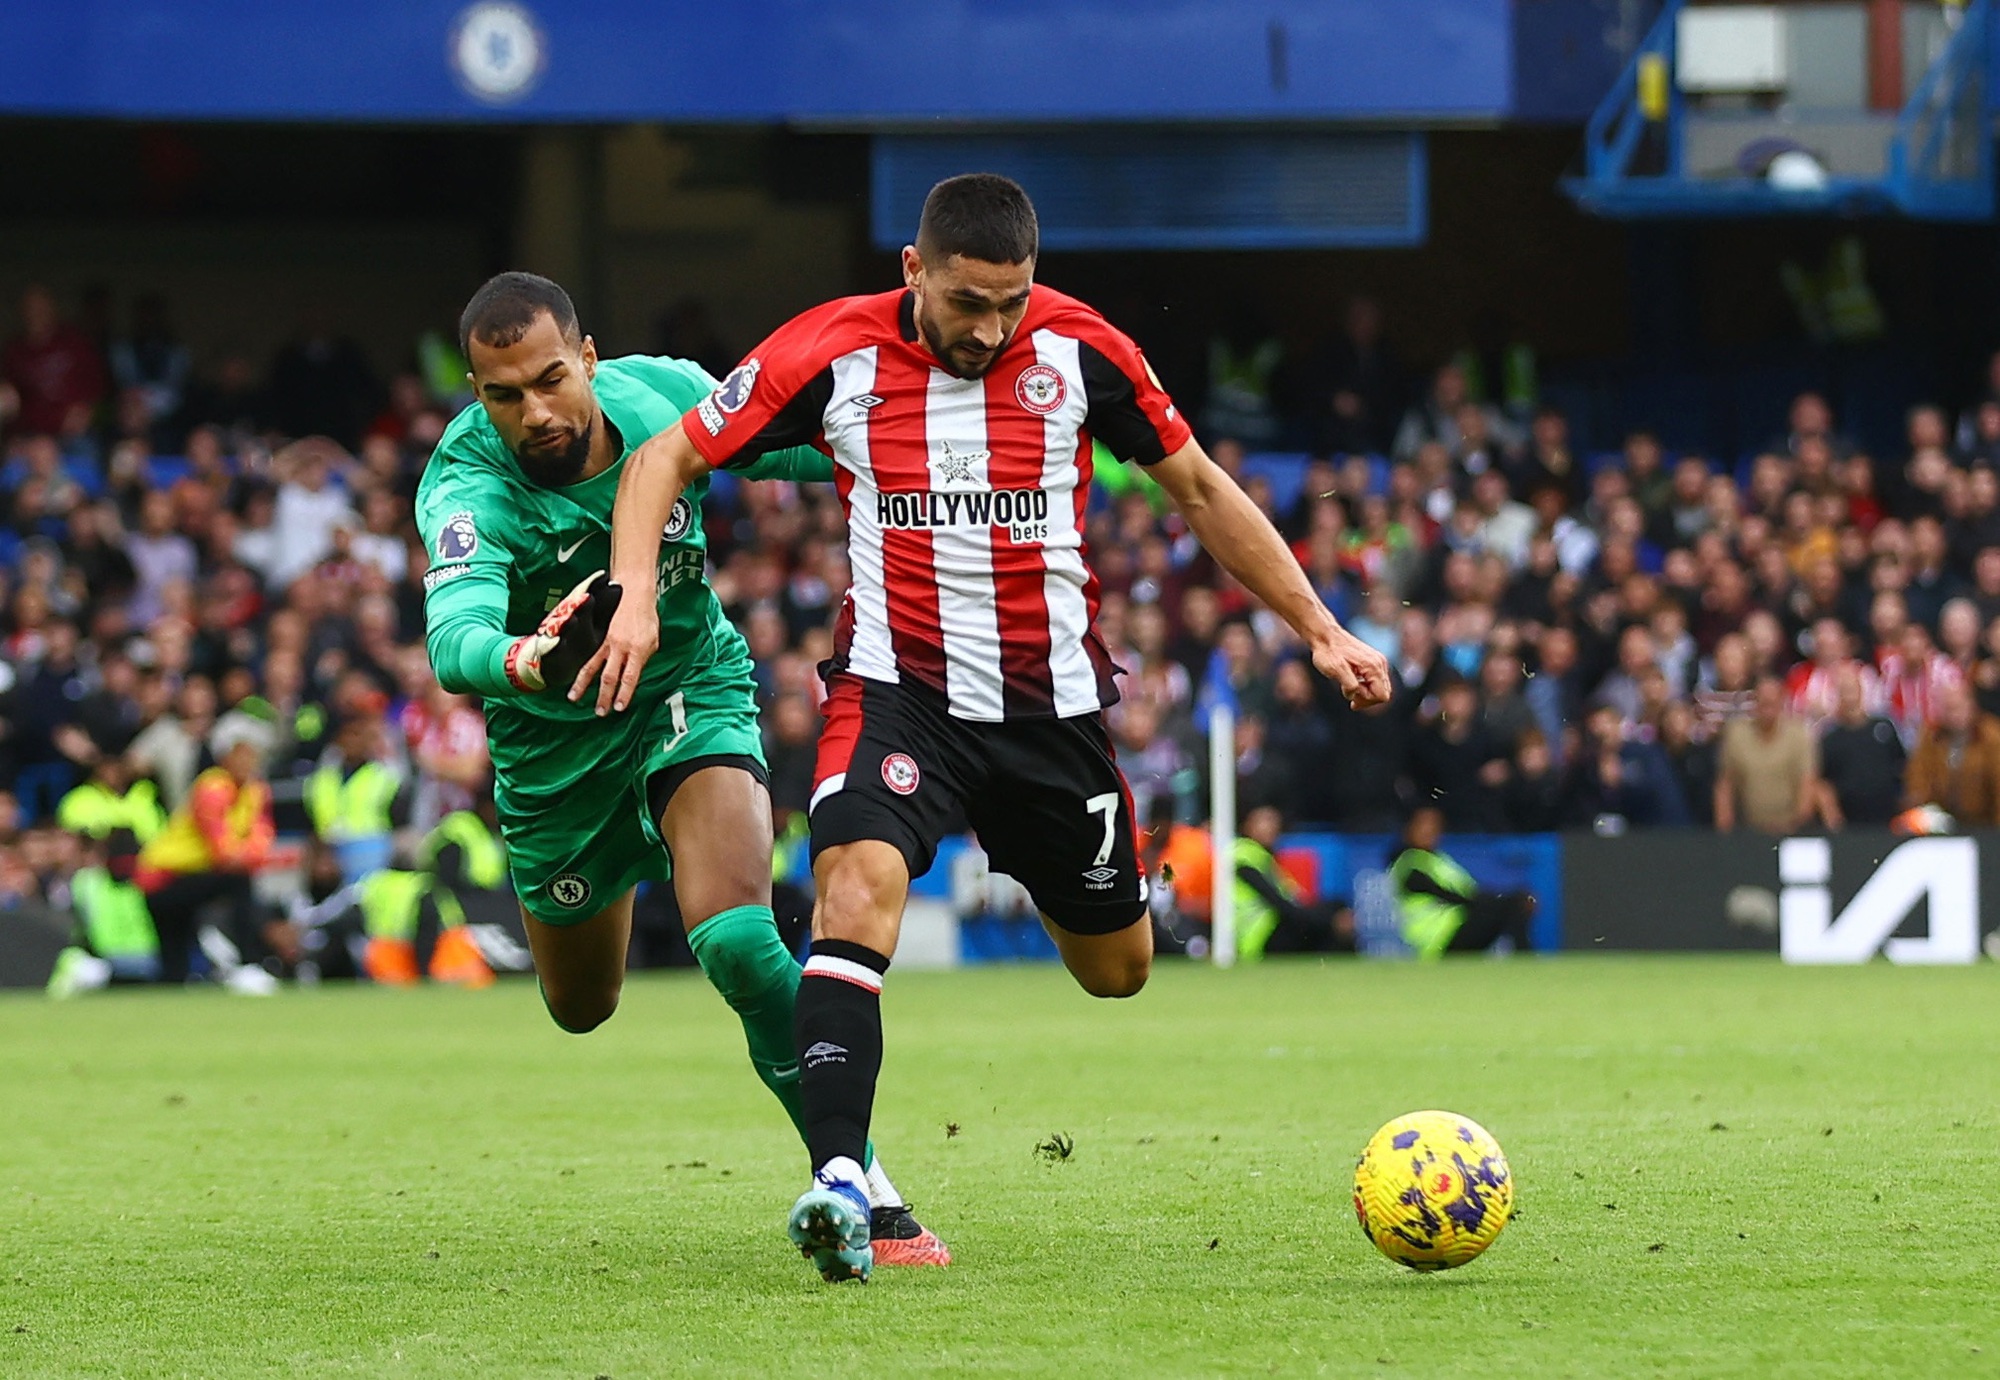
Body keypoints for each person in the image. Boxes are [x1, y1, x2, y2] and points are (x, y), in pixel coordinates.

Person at [589, 173, 1392, 1282]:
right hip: (895, 691)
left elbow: (1200, 490)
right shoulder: (829, 353)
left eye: (1010, 301)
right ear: (912, 272)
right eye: (968, 302)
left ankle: (864, 1150)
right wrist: (634, 590)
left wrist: (1320, 628)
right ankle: (838, 1186)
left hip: (1049, 715)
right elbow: (663, 457)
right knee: (851, 892)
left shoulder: (1081, 351)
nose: (990, 328)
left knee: (1118, 970)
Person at [415, 272, 943, 1268]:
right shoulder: (466, 487)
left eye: (549, 379)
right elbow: (455, 640)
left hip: (685, 688)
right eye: (501, 393)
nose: (532, 412)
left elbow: (795, 439)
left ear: (591, 358)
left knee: (741, 943)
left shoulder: (659, 393)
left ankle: (863, 1188)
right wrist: (526, 657)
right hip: (554, 745)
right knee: (581, 1006)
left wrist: (911, 440)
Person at [131, 717, 291, 993]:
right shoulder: (212, 788)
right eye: (243, 754)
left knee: (174, 969)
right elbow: (224, 853)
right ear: (226, 756)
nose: (250, 761)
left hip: (191, 875)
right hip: (161, 878)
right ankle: (247, 963)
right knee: (238, 882)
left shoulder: (255, 790)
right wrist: (267, 857)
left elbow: (261, 837)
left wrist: (253, 854)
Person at [1387, 806, 1535, 959]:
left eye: (1435, 825)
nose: (1429, 831)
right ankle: (1526, 958)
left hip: (1457, 928)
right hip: (1439, 940)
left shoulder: (1439, 859)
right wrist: (1497, 902)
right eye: (1423, 825)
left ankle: (1523, 956)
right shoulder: (1410, 864)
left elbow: (1471, 890)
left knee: (1516, 902)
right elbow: (1451, 896)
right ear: (1409, 829)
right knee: (1514, 904)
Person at [1231, 804, 1353, 960]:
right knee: (1329, 924)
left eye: (1274, 822)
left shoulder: (1265, 857)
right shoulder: (1242, 856)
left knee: (1336, 905)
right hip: (1258, 935)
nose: (1271, 827)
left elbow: (1294, 899)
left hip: (1274, 925)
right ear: (1247, 825)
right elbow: (1278, 902)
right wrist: (1327, 919)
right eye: (1264, 821)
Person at [1714, 676, 1823, 834]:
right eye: (1763, 703)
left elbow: (1807, 782)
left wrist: (1798, 825)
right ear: (1754, 703)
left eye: (1772, 703)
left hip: (1791, 828)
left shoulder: (1798, 735)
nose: (1768, 709)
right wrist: (1725, 832)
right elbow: (1725, 784)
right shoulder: (1736, 734)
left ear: (1781, 702)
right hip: (1749, 830)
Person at [1817, 665, 1907, 829]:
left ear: (1861, 692)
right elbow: (1823, 782)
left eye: (1852, 690)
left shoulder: (1883, 727)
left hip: (1889, 819)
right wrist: (1832, 815)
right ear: (1838, 696)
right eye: (1844, 691)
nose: (1849, 697)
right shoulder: (1831, 739)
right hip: (1849, 823)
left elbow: (1902, 766)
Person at [1903, 679, 2000, 827]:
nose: (1954, 715)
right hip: (1941, 826)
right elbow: (1917, 782)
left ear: (1971, 705)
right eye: (1948, 709)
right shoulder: (1930, 737)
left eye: (1958, 707)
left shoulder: (1991, 736)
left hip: (1984, 825)